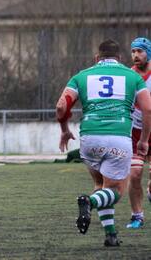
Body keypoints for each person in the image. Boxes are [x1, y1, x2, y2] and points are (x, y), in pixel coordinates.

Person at [56, 39, 151, 246]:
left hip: (89, 139)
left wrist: (64, 131)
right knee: (116, 191)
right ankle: (89, 202)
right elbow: (148, 109)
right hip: (118, 138)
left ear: (97, 58)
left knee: (102, 184)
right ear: (120, 58)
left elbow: (61, 107)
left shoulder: (81, 76)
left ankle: (111, 235)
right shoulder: (132, 76)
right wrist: (144, 140)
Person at [126, 37, 151, 229]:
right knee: (134, 174)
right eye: (133, 51)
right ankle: (137, 216)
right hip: (135, 132)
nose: (135, 55)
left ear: (148, 53)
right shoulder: (128, 76)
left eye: (140, 51)